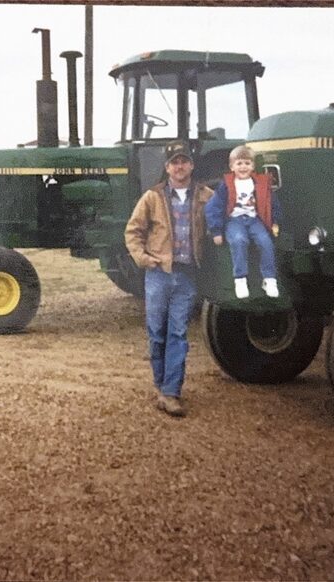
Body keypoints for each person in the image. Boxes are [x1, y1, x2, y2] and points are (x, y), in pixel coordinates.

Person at [125, 140, 214, 417]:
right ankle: (160, 384)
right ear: (167, 167)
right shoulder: (152, 197)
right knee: (157, 333)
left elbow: (225, 213)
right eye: (174, 162)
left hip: (187, 276)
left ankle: (171, 392)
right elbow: (133, 231)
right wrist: (143, 258)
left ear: (191, 165)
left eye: (184, 161)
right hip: (159, 275)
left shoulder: (205, 195)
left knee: (178, 333)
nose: (179, 166)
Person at [204, 145, 282, 299]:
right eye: (239, 163)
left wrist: (275, 222)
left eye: (247, 163)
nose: (243, 167)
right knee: (238, 240)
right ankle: (240, 279)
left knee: (265, 241)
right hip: (235, 220)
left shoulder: (261, 184)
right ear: (232, 167)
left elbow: (272, 204)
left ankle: (269, 279)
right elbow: (213, 207)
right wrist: (216, 231)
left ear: (253, 166)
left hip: (254, 220)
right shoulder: (226, 185)